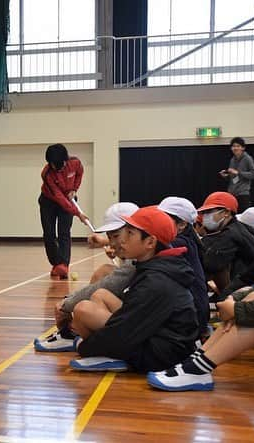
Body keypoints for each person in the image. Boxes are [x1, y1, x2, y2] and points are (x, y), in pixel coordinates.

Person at [147, 207, 254, 392]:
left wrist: (238, 309)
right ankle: (197, 362)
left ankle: (198, 367)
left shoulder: (230, 235)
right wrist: (234, 300)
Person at [69, 206, 199, 372]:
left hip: (163, 354)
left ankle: (110, 355)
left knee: (82, 309)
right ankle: (108, 352)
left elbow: (125, 330)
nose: (122, 240)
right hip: (163, 337)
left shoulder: (156, 281)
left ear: (150, 242)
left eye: (130, 233)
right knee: (100, 295)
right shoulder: (157, 264)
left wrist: (85, 347)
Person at [33, 202, 138, 352]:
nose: (112, 242)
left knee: (85, 307)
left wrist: (67, 303)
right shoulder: (146, 245)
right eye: (110, 236)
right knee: (104, 271)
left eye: (115, 236)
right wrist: (111, 245)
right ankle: (74, 333)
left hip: (139, 323)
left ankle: (86, 338)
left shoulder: (135, 262)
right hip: (136, 311)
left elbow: (113, 283)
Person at [158, 197, 210, 340]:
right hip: (194, 315)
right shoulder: (187, 240)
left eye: (163, 219)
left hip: (189, 321)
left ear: (181, 224)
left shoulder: (179, 244)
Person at [197, 192, 254, 296]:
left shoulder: (230, 234)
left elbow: (211, 264)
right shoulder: (239, 228)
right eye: (204, 212)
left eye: (209, 211)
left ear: (226, 213)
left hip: (250, 290)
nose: (205, 216)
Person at [38, 143, 88, 279]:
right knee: (49, 234)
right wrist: (78, 214)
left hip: (68, 198)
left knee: (64, 232)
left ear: (65, 160)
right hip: (49, 201)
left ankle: (63, 266)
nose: (55, 167)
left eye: (57, 164)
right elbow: (59, 198)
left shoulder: (75, 163)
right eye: (52, 164)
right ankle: (56, 263)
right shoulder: (47, 173)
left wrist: (74, 189)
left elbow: (79, 174)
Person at [219, 137, 254, 213]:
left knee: (242, 217)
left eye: (238, 146)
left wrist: (238, 172)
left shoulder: (247, 158)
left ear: (243, 148)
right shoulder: (232, 160)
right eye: (233, 146)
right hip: (231, 193)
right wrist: (226, 176)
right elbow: (233, 177)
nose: (235, 148)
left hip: (243, 194)